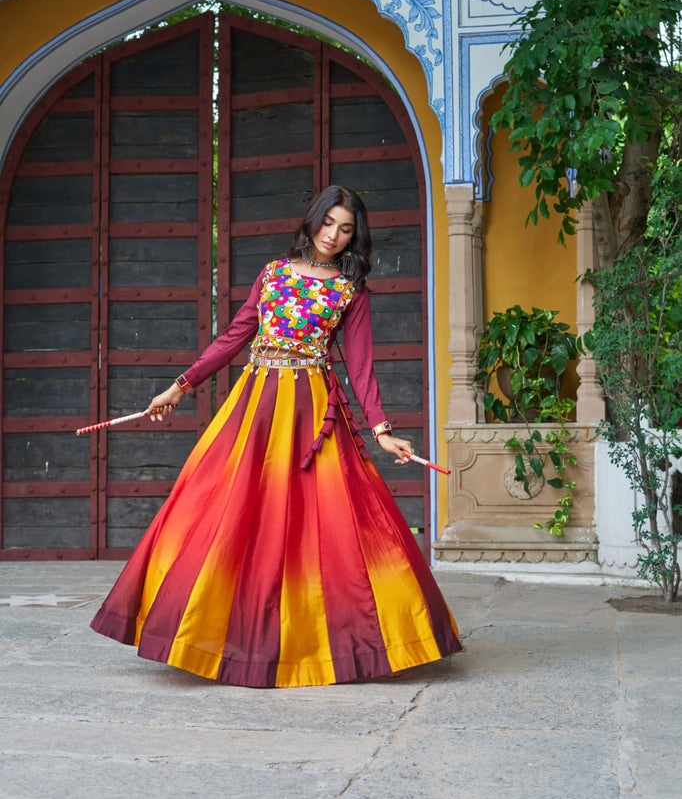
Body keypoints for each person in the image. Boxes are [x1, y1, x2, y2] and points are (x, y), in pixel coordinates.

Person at [91, 185, 462, 687]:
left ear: (356, 236)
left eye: (345, 229)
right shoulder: (272, 274)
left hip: (312, 408)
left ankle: (342, 640)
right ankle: (211, 627)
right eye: (328, 223)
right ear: (312, 220)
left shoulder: (350, 290)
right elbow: (234, 336)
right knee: (221, 504)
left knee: (329, 520)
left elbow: (361, 364)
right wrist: (180, 386)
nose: (333, 235)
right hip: (256, 406)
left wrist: (381, 430)